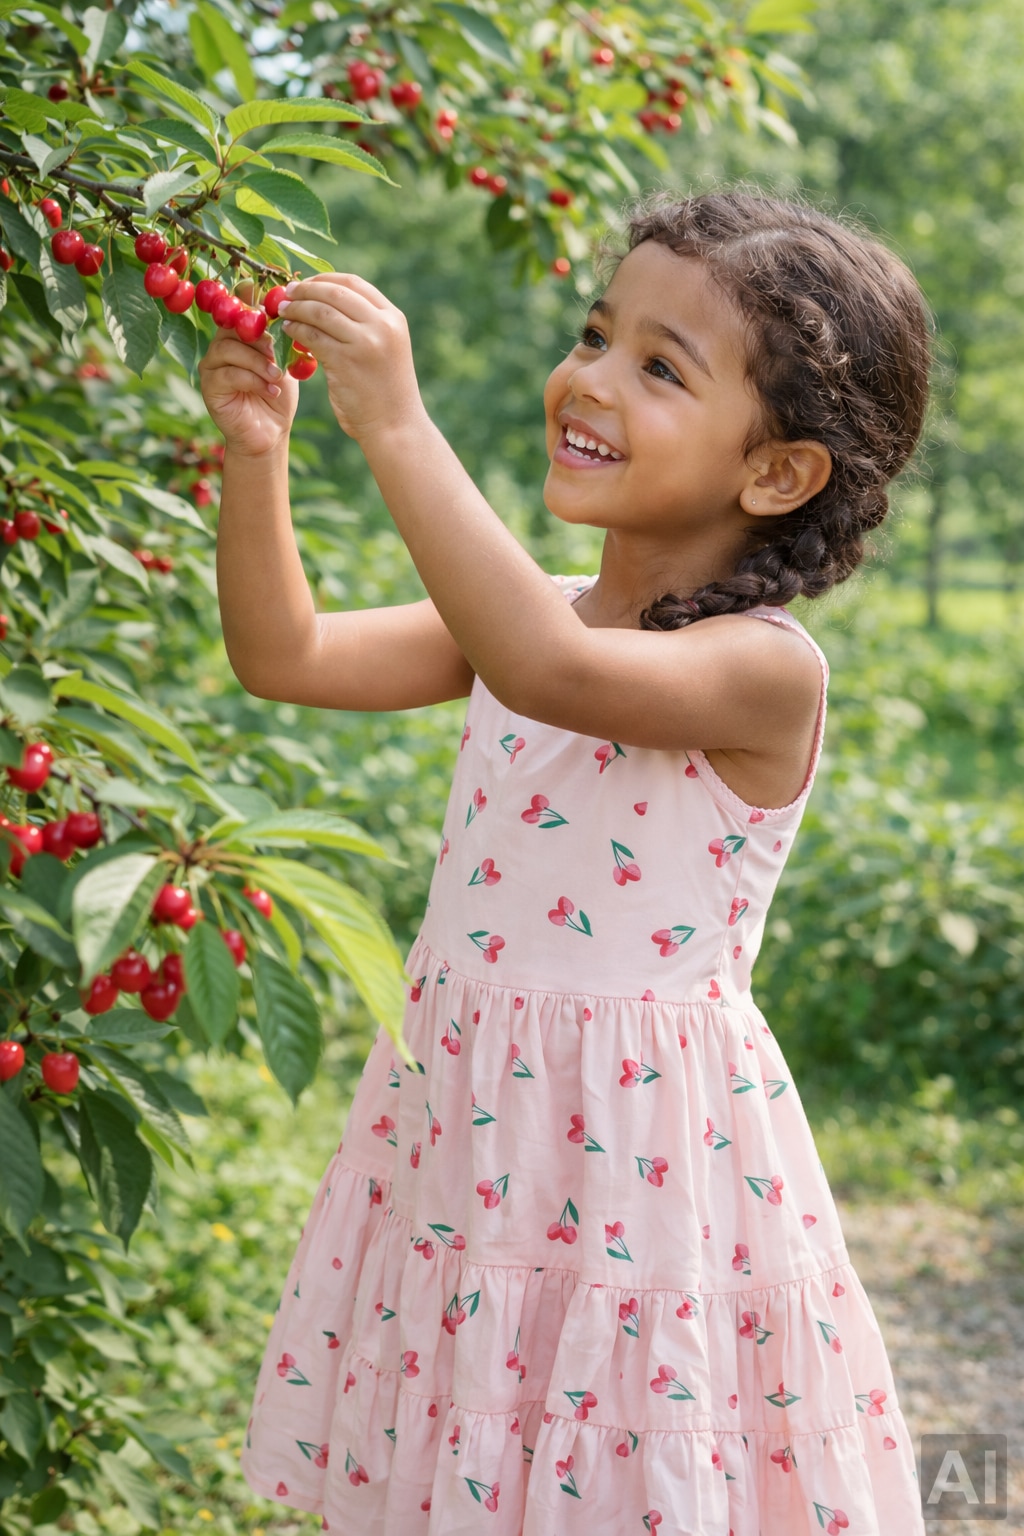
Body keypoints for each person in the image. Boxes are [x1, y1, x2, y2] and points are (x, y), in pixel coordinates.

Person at [199, 189, 931, 1536]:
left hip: (641, 1168)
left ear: (776, 474)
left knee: (616, 1471)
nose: (588, 378)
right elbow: (283, 656)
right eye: (597, 334)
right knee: (478, 1453)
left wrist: (401, 425)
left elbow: (551, 676)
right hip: (482, 1135)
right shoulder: (520, 615)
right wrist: (260, 453)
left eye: (660, 366)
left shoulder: (760, 672)